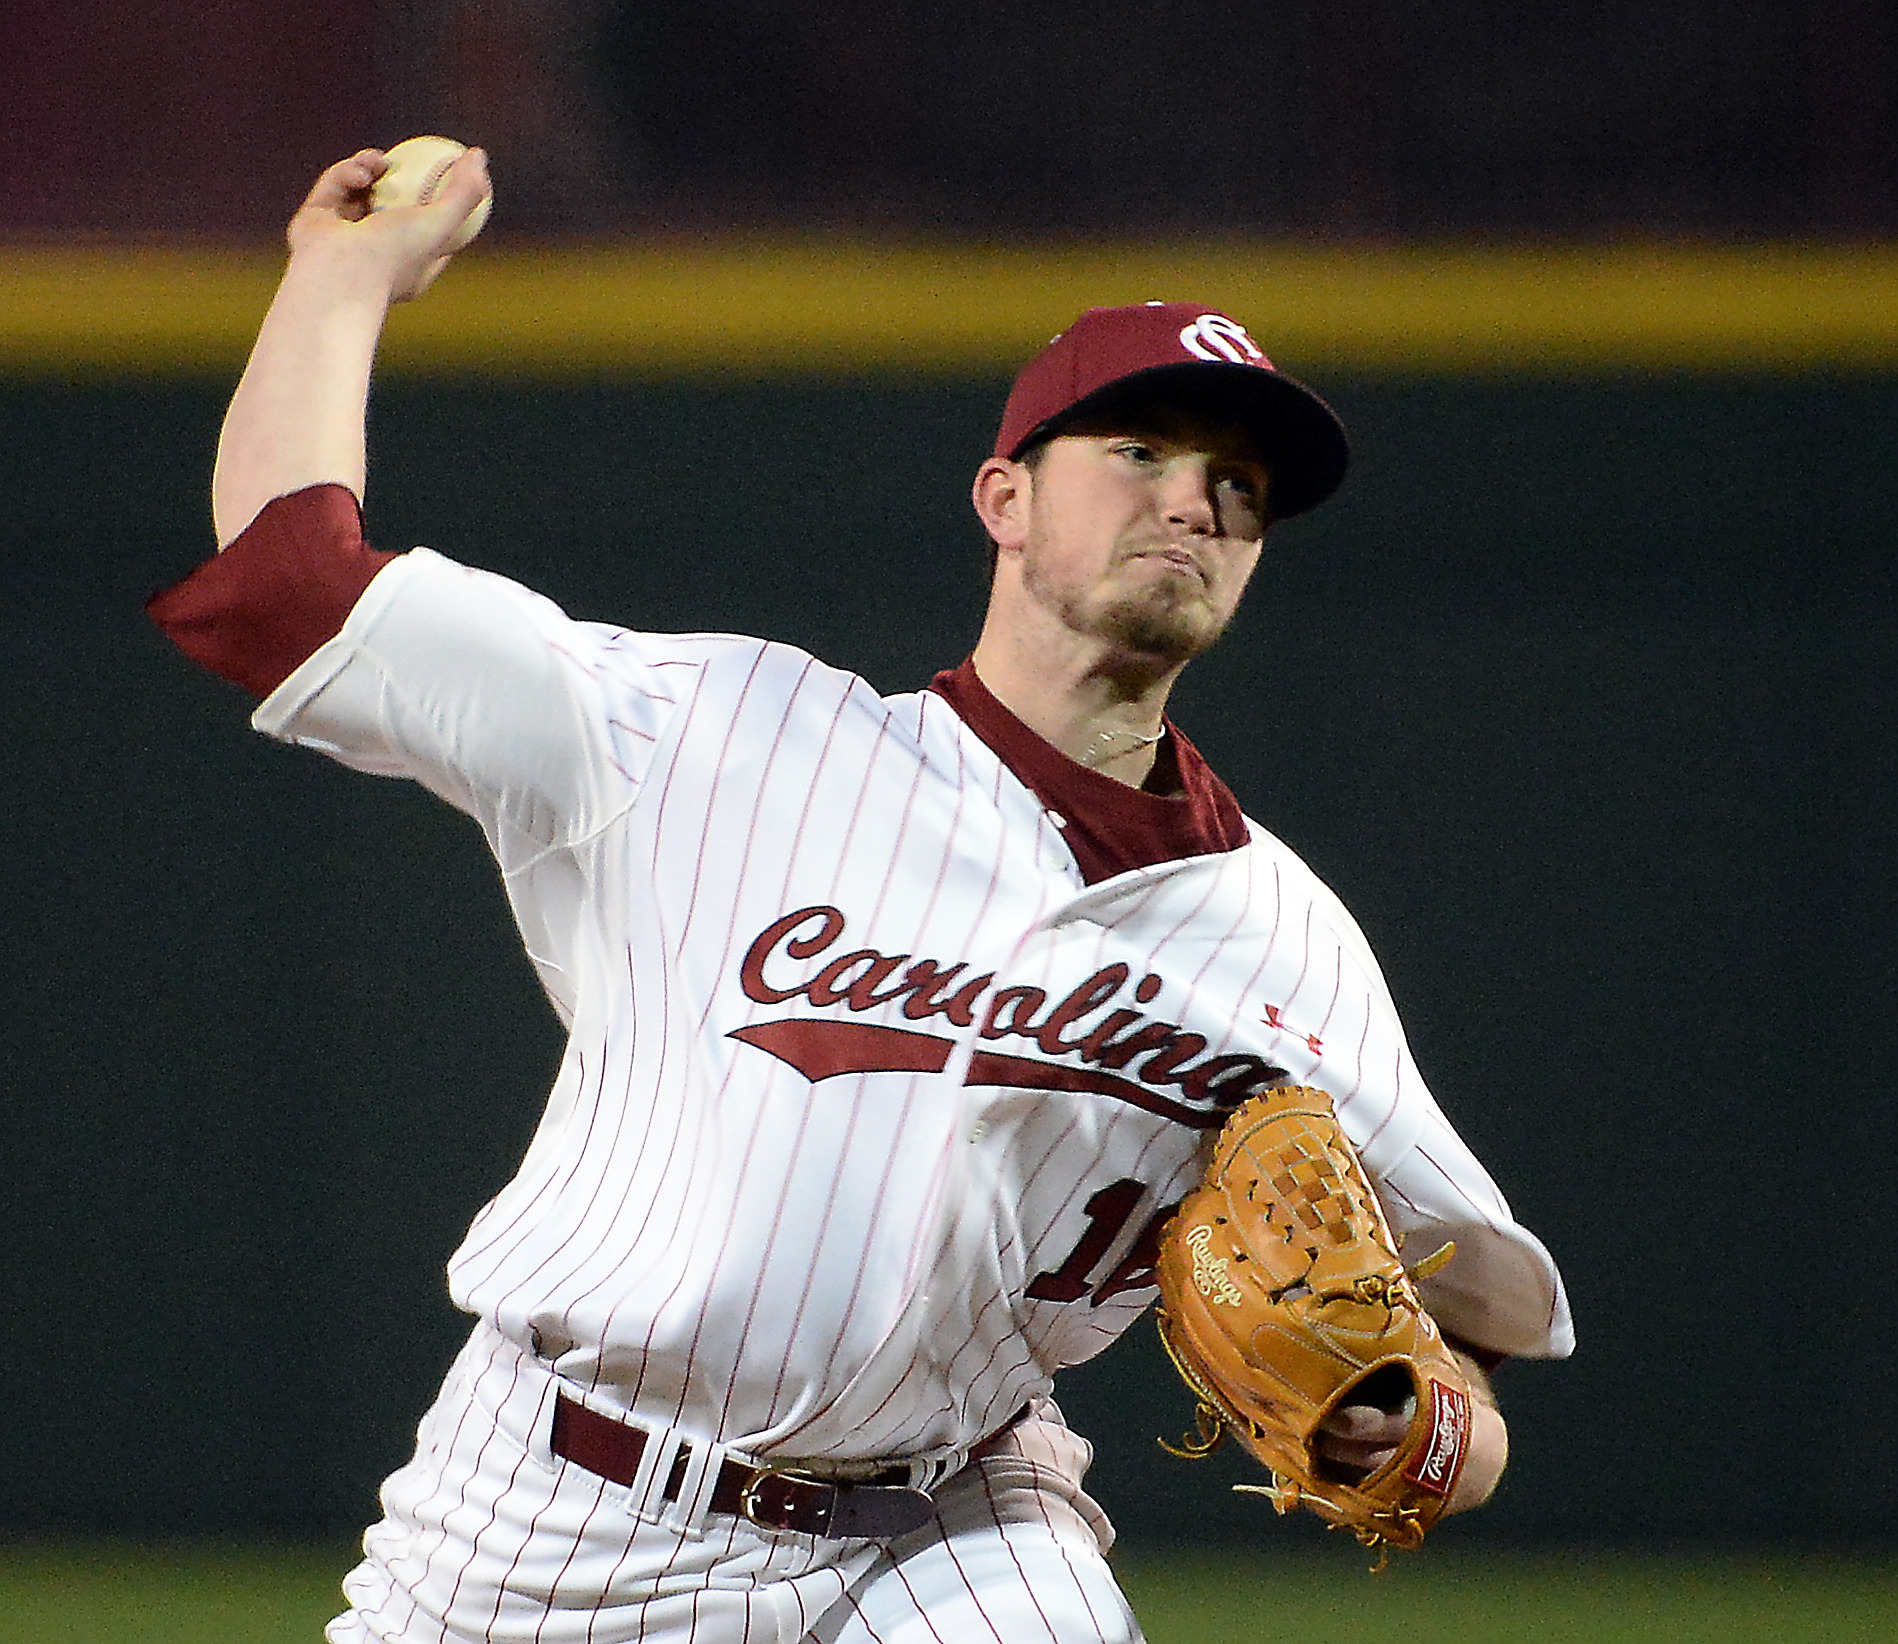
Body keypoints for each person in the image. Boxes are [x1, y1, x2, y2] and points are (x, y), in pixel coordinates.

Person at [150, 147, 1573, 1644]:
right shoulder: (703, 730)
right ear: (1004, 499)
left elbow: (1458, 1332)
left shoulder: (1280, 937)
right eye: (1142, 454)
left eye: (1238, 487)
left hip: (951, 1528)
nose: (1194, 506)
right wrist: (344, 277)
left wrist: (1410, 1429)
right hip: (560, 1509)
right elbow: (282, 588)